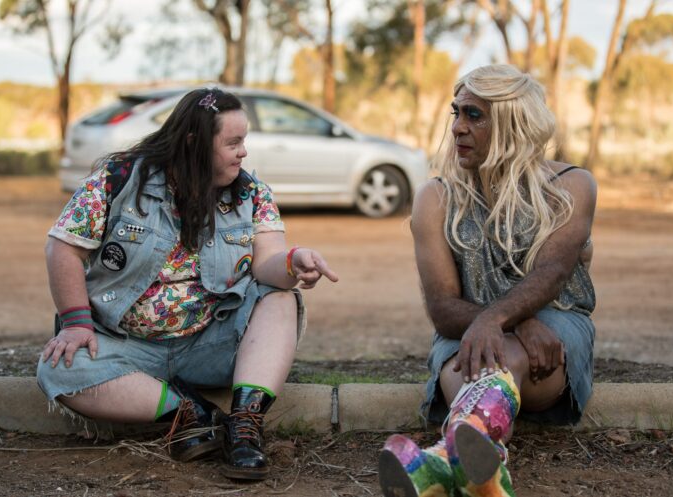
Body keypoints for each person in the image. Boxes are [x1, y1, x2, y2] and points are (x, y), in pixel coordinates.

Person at [37, 88, 338, 481]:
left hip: (210, 344)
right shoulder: (119, 181)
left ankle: (245, 427)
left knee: (280, 297)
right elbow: (63, 249)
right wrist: (76, 322)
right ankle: (191, 413)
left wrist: (292, 262)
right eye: (233, 142)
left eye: (243, 140)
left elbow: (267, 264)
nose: (244, 151)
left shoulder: (251, 193)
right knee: (58, 368)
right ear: (194, 143)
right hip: (125, 346)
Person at [378, 64, 597, 497]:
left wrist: (500, 321)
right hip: (463, 331)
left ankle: (440, 462)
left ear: (514, 120)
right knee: (489, 355)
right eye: (455, 112)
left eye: (474, 115)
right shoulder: (436, 198)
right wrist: (506, 321)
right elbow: (443, 306)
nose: (458, 127)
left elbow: (551, 274)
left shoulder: (570, 186)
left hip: (553, 330)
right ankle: (478, 466)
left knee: (501, 353)